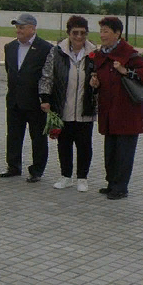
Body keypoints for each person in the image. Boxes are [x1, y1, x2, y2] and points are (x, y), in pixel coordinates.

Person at [89, 16, 143, 200]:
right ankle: (111, 183)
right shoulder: (100, 54)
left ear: (117, 33)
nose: (102, 35)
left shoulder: (129, 54)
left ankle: (121, 187)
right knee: (110, 151)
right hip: (108, 112)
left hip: (127, 113)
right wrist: (95, 83)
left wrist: (126, 71)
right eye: (101, 31)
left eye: (106, 31)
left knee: (124, 153)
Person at [39, 16, 97, 192]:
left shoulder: (94, 54)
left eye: (82, 33)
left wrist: (96, 83)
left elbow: (100, 77)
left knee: (84, 144)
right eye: (75, 33)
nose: (79, 37)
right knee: (64, 143)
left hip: (84, 107)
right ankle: (66, 176)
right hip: (62, 106)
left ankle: (82, 177)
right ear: (68, 33)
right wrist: (45, 99)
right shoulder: (57, 52)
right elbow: (47, 76)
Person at [0, 13, 53, 183]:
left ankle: (37, 169)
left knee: (37, 137)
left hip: (35, 102)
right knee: (14, 135)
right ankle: (13, 166)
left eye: (22, 27)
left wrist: (46, 99)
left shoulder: (45, 48)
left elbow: (49, 76)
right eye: (17, 27)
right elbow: (10, 71)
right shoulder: (10, 47)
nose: (18, 30)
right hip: (14, 100)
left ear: (33, 28)